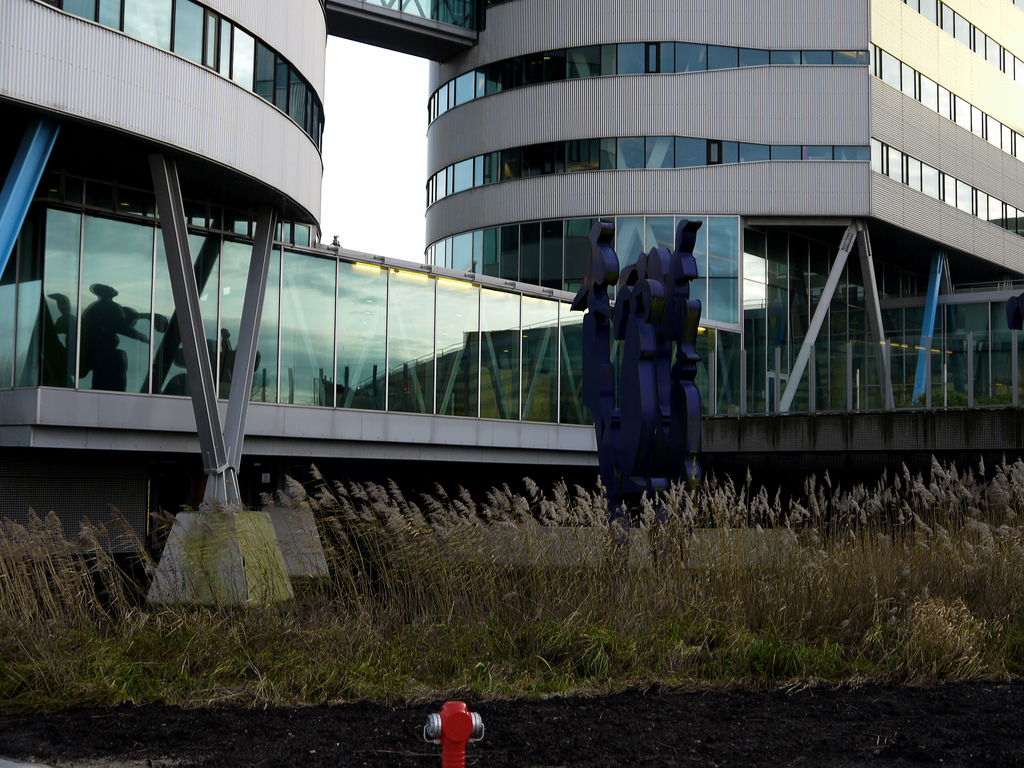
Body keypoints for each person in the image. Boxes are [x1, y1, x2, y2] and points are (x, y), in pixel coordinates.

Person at [80, 283, 149, 391]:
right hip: (103, 351)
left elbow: (124, 317)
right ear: (106, 293)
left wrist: (144, 316)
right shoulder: (110, 307)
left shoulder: (97, 307)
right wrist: (141, 337)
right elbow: (122, 326)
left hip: (94, 350)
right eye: (108, 287)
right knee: (116, 370)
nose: (111, 287)